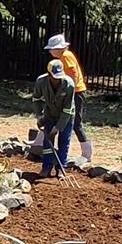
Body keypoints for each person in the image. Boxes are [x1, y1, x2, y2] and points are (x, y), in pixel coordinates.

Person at [44, 33, 92, 162]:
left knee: (75, 122)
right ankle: (39, 143)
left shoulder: (65, 56)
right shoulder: (63, 57)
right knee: (54, 116)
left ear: (58, 48)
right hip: (72, 92)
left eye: (51, 49)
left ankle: (86, 154)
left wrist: (70, 92)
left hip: (76, 93)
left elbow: (74, 74)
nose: (50, 51)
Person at [32, 60, 75, 178]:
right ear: (49, 74)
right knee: (47, 141)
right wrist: (40, 116)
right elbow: (36, 99)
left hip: (66, 116)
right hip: (50, 114)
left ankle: (61, 168)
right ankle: (46, 167)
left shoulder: (69, 84)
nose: (57, 80)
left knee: (64, 141)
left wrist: (57, 128)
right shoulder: (41, 81)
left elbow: (67, 108)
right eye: (54, 77)